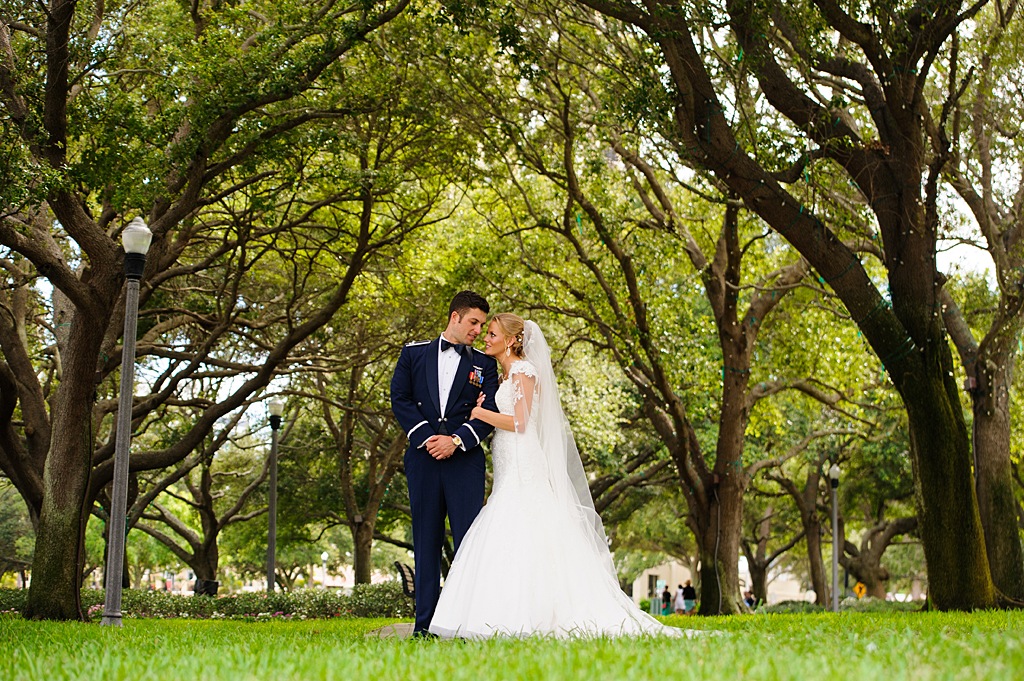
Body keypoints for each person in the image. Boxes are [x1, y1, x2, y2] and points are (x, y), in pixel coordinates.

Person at [428, 314, 698, 639]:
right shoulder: (503, 376)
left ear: (512, 340)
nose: (486, 338)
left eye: (492, 333)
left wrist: (480, 412)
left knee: (522, 525)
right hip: (506, 461)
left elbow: (521, 421)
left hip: (522, 460)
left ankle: (535, 617)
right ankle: (500, 616)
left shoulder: (523, 371)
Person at [390, 291, 500, 637]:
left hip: (464, 461)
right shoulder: (412, 353)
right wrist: (428, 438)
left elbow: (491, 412)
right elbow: (400, 399)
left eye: (483, 325)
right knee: (425, 541)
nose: (479, 331)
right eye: (474, 322)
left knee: (469, 542)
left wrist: (454, 441)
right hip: (422, 459)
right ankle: (424, 627)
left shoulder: (486, 364)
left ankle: (467, 625)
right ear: (455, 317)